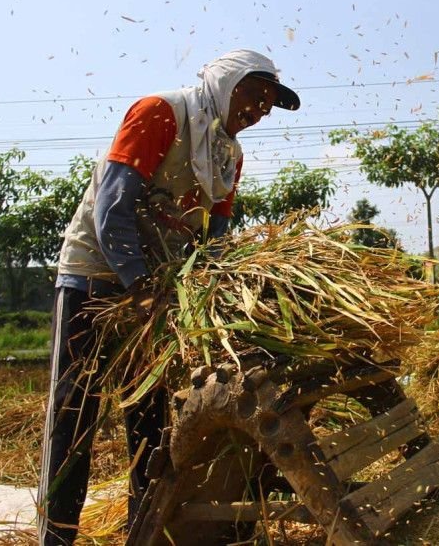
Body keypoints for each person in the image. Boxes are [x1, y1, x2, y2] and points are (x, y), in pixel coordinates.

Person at [37, 49, 300, 545]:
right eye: (256, 94)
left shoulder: (229, 155)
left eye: (270, 103)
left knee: (152, 423)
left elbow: (213, 239)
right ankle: (55, 537)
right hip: (95, 280)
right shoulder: (161, 111)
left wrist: (220, 294)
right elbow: (112, 210)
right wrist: (138, 287)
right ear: (226, 83)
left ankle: (147, 534)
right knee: (73, 419)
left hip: (157, 293)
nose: (262, 109)